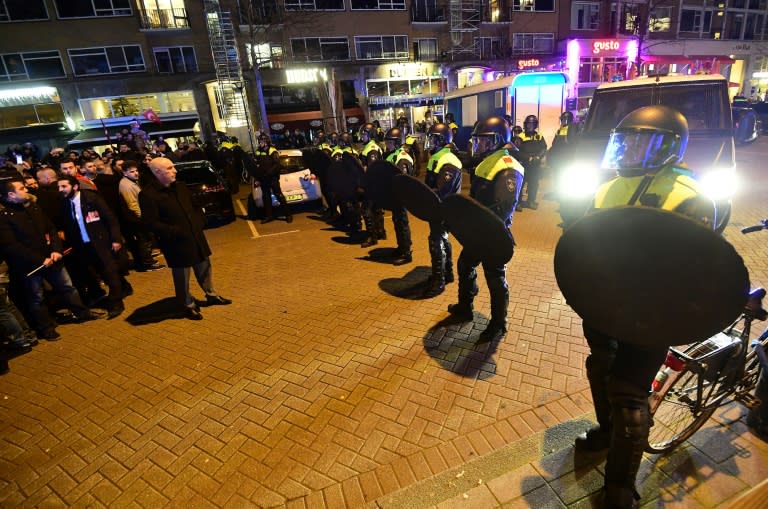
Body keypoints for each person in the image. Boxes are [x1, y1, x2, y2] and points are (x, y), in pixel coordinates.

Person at [574, 105, 717, 508]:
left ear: (669, 149)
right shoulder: (612, 186)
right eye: (627, 140)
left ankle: (620, 486)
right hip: (606, 303)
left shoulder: (689, 199)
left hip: (650, 312)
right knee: (600, 367)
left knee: (628, 392)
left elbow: (693, 270)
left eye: (642, 141)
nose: (630, 149)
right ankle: (607, 433)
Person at [447, 116, 524, 343]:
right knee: (465, 264)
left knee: (495, 276)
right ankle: (465, 306)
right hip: (478, 229)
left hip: (493, 233)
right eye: (478, 142)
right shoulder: (488, 161)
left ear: (500, 141)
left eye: (485, 142)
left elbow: (503, 207)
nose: (479, 146)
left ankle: (499, 323)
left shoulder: (508, 166)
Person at [0, 179, 96, 340]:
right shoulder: (4, 218)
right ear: (11, 194)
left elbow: (50, 229)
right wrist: (39, 260)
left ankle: (82, 313)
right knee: (36, 298)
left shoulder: (33, 208)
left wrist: (56, 250)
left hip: (52, 258)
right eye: (22, 188)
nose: (26, 190)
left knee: (67, 287)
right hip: (30, 266)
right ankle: (47, 328)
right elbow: (11, 246)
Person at [139, 157, 231, 320]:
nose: (174, 170)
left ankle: (211, 295)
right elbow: (150, 222)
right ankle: (187, 304)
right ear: (157, 172)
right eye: (169, 168)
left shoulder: (180, 186)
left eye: (173, 167)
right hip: (176, 242)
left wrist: (200, 221)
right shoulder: (148, 195)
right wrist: (174, 231)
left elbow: (194, 204)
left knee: (204, 267)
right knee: (182, 276)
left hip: (195, 236)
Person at [58, 175, 128, 319]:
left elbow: (110, 219)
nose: (61, 190)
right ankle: (122, 288)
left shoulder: (91, 198)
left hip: (101, 242)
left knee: (109, 272)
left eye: (64, 186)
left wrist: (115, 239)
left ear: (75, 186)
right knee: (99, 272)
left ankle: (116, 303)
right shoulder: (65, 204)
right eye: (59, 187)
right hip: (83, 245)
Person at [423, 123, 462, 297]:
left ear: (441, 140)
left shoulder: (449, 160)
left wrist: (421, 194)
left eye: (432, 139)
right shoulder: (438, 157)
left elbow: (442, 190)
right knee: (442, 239)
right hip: (437, 207)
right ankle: (447, 273)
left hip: (445, 208)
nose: (429, 143)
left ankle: (439, 280)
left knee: (436, 241)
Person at [118, 161, 165, 272]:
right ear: (125, 173)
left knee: (145, 239)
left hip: (139, 216)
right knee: (143, 240)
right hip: (137, 218)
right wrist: (142, 217)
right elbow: (132, 204)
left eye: (136, 171)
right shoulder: (126, 185)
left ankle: (147, 259)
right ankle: (148, 262)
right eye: (132, 171)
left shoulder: (131, 182)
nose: (136, 173)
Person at [383, 127, 414, 265]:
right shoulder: (391, 155)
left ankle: (407, 252)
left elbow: (404, 180)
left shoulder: (401, 157)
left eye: (390, 142)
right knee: (397, 222)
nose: (387, 144)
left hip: (401, 197)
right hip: (393, 195)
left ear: (397, 143)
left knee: (402, 223)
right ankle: (401, 247)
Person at [254, 133, 292, 224]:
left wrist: (269, 173)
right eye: (259, 141)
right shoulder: (258, 151)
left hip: (272, 178)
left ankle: (288, 215)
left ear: (266, 141)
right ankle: (269, 216)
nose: (260, 143)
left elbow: (277, 165)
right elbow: (257, 164)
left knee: (279, 196)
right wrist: (258, 177)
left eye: (261, 141)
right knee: (266, 197)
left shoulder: (272, 150)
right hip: (263, 179)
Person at [358, 123, 385, 248]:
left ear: (370, 135)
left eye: (364, 134)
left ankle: (371, 237)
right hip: (377, 184)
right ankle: (380, 232)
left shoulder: (372, 149)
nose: (362, 137)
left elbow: (371, 169)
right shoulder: (370, 146)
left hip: (372, 184)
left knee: (366, 210)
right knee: (376, 209)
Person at [517, 115, 548, 210]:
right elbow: (517, 151)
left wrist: (538, 157)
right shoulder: (520, 136)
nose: (528, 126)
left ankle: (531, 201)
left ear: (535, 125)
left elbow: (544, 147)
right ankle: (518, 203)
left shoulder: (539, 136)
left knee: (534, 183)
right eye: (527, 124)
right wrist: (528, 158)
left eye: (531, 124)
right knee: (520, 184)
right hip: (524, 164)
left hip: (535, 164)